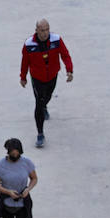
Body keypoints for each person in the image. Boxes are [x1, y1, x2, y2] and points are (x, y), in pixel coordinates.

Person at [20, 19, 73, 147]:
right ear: (36, 30)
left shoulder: (56, 40)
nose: (45, 33)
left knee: (47, 97)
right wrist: (23, 76)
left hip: (53, 76)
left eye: (47, 29)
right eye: (42, 30)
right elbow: (25, 62)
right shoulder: (29, 44)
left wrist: (69, 70)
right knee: (39, 102)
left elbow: (65, 55)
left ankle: (44, 106)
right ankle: (40, 134)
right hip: (37, 78)